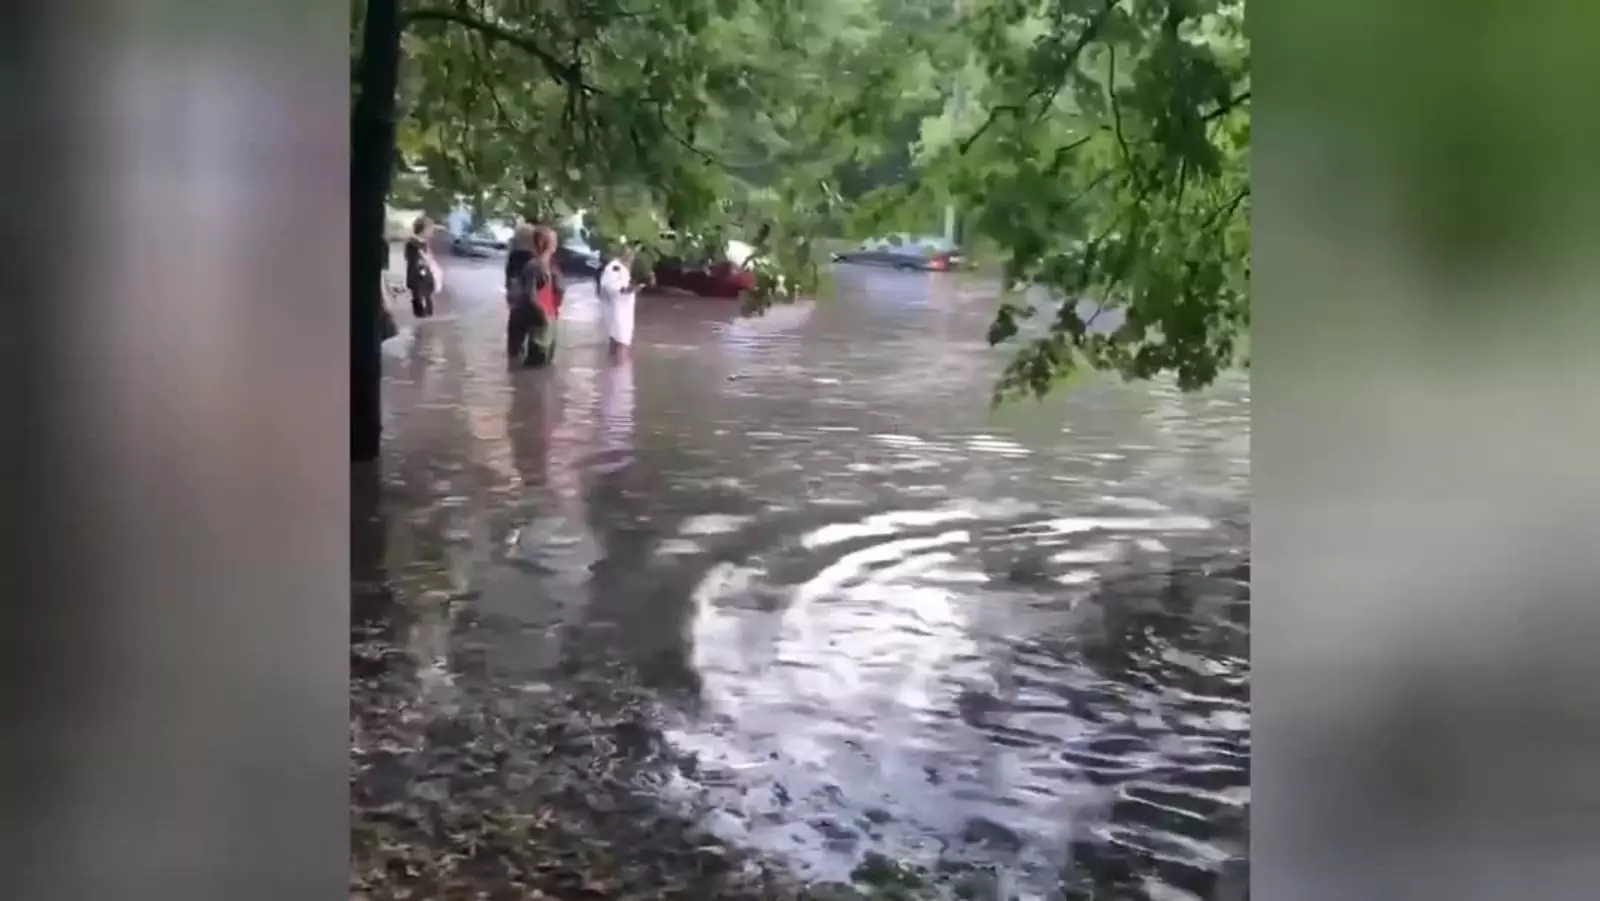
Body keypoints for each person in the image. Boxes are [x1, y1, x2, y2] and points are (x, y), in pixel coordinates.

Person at [507, 225, 566, 367]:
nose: (556, 244)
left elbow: (558, 290)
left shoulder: (551, 265)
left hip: (550, 320)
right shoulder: (534, 266)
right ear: (542, 243)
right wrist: (543, 315)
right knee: (536, 365)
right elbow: (530, 295)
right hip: (540, 324)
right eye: (553, 241)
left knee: (545, 367)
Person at [596, 246, 639, 356]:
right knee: (621, 339)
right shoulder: (615, 267)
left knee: (618, 337)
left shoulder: (621, 268)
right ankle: (620, 368)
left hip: (622, 308)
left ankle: (614, 365)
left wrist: (629, 288)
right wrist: (624, 290)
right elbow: (609, 285)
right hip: (617, 309)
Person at [403, 216, 439, 318]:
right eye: (430, 229)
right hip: (418, 281)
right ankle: (420, 332)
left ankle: (424, 330)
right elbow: (414, 263)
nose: (432, 232)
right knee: (421, 311)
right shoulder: (413, 244)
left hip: (425, 281)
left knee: (429, 310)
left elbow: (428, 262)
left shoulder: (424, 243)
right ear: (423, 229)